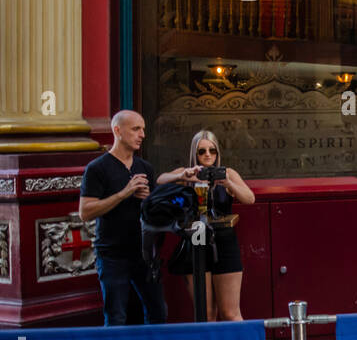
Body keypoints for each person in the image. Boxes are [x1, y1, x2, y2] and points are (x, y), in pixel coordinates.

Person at [78, 110, 167, 326]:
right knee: (116, 316)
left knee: (158, 312)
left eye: (143, 129)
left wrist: (149, 201)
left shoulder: (145, 167)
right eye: (136, 129)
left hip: (143, 253)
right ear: (117, 131)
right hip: (112, 254)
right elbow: (85, 212)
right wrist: (123, 193)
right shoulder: (97, 168)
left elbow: (154, 214)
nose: (142, 134)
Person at [157, 130, 255, 321]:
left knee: (230, 312)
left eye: (212, 150)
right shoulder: (188, 172)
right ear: (195, 153)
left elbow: (249, 198)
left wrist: (228, 183)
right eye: (202, 151)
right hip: (197, 236)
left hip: (224, 236)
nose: (208, 155)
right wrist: (186, 176)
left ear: (218, 153)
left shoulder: (227, 173)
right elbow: (160, 181)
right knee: (205, 312)